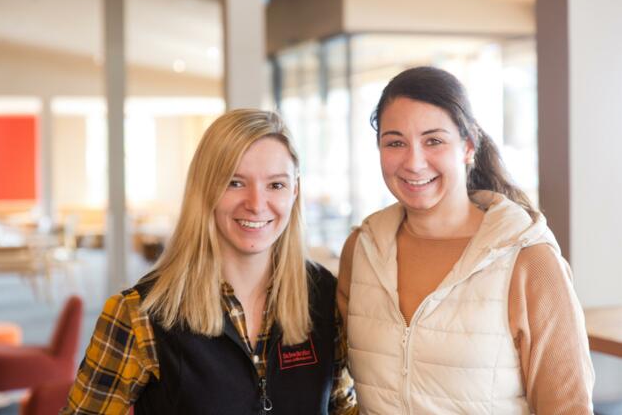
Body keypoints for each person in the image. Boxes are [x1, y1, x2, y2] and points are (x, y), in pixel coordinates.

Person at [62, 109, 356, 414]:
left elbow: (342, 406)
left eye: (276, 185)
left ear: (295, 190)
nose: (256, 204)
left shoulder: (324, 295)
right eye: (235, 183)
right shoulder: (140, 314)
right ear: (205, 188)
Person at [338, 66, 594, 414]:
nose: (414, 162)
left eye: (433, 141)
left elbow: (568, 407)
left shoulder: (528, 259)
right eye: (395, 142)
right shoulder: (362, 249)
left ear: (468, 145)